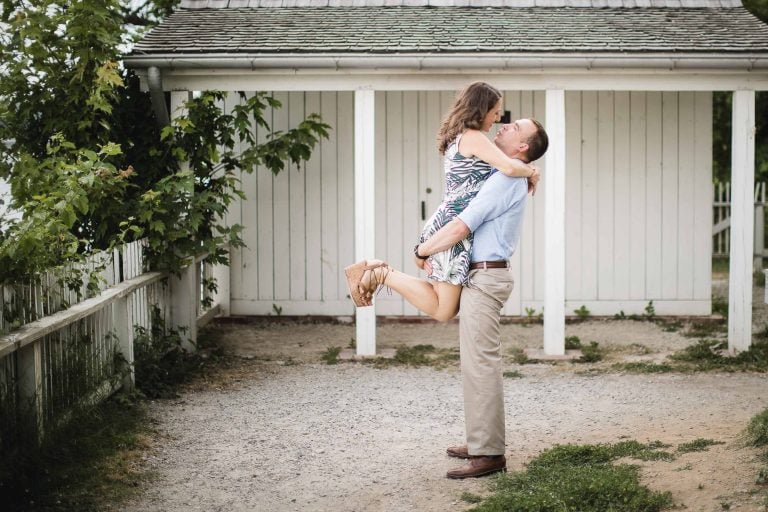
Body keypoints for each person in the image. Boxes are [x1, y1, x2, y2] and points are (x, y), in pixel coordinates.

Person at [415, 117, 549, 478]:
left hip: (486, 276)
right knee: (475, 363)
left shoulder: (507, 177)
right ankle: (480, 443)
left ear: (523, 146)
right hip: (481, 273)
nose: (504, 126)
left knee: (482, 364)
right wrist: (530, 171)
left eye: (514, 127)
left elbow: (463, 225)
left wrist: (423, 249)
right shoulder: (508, 171)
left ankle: (489, 454)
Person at [344, 82, 540, 320]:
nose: (498, 117)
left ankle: (381, 272)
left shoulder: (463, 136)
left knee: (443, 306)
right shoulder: (474, 137)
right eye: (495, 111)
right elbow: (509, 167)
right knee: (443, 310)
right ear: (481, 109)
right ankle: (379, 272)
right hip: (452, 228)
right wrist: (531, 172)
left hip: (446, 222)